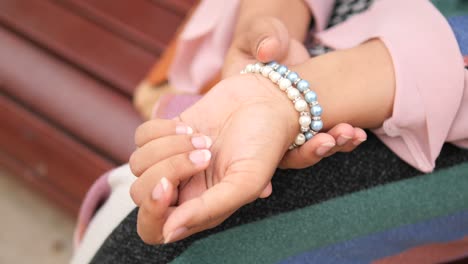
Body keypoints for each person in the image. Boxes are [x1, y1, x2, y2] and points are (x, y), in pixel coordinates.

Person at [71, 0, 468, 263]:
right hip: (326, 36)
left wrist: (290, 93)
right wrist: (270, 23)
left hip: (440, 91)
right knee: (150, 214)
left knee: (189, 244)